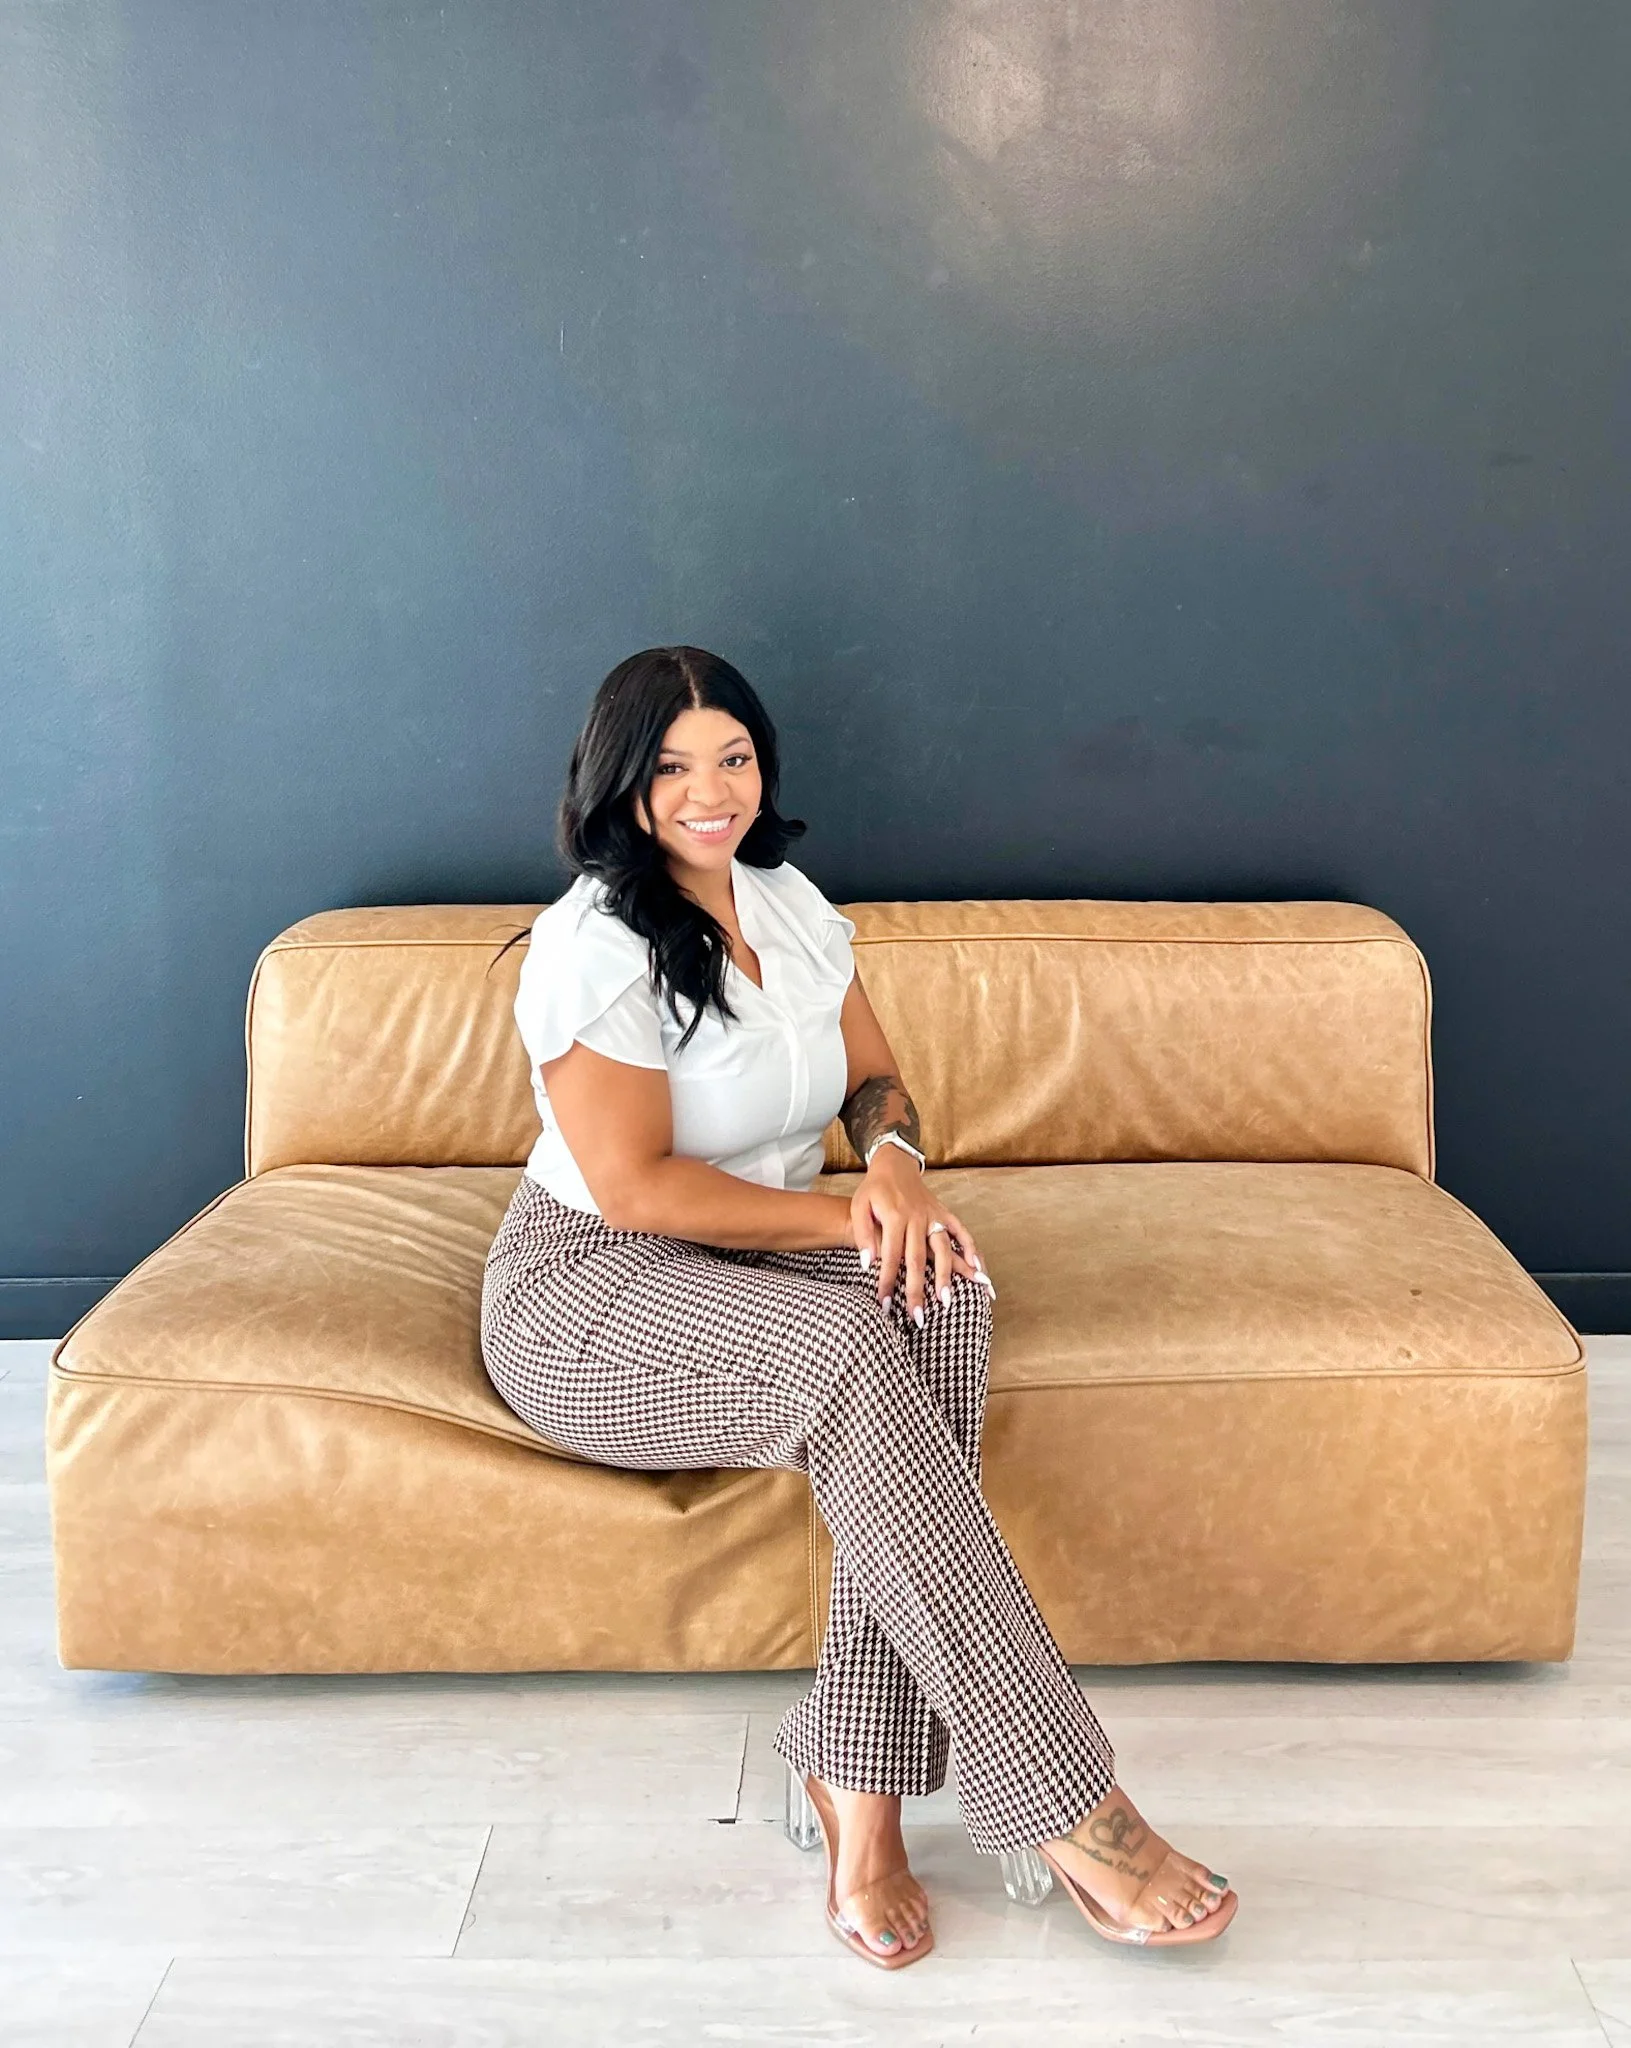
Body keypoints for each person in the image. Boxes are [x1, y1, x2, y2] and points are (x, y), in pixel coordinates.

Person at [480, 645, 1238, 1966]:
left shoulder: (782, 900)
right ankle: (1072, 1802)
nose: (710, 792)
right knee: (849, 1339)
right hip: (587, 1286)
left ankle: (854, 1777)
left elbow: (875, 1082)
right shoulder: (590, 946)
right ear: (620, 783)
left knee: (944, 1292)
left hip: (748, 1259)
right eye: (672, 767)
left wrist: (894, 1169)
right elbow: (638, 1189)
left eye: (733, 758)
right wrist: (848, 1221)